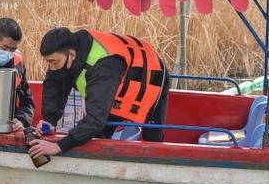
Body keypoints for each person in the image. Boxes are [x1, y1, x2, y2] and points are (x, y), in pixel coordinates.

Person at [28, 27, 170, 159]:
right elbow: (54, 86)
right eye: (48, 62)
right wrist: (50, 121)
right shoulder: (63, 55)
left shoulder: (103, 66)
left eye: (54, 62)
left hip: (151, 75)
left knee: (153, 137)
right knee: (98, 135)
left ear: (71, 55)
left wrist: (58, 146)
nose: (51, 67)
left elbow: (95, 120)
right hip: (117, 80)